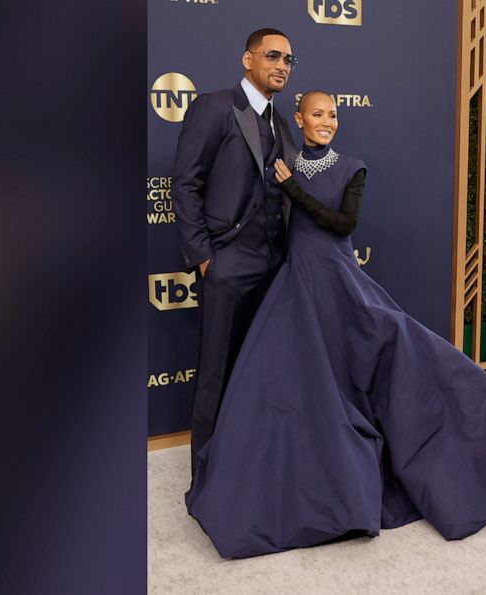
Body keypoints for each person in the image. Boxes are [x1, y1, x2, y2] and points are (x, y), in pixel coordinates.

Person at [184, 91, 486, 559]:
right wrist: (219, 255)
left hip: (338, 280)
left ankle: (462, 435)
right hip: (294, 283)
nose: (326, 122)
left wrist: (293, 188)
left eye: (333, 115)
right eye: (316, 114)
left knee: (390, 351)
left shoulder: (350, 166)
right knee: (288, 383)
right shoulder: (283, 160)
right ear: (299, 118)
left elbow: (342, 224)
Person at [171, 28, 298, 470]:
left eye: (288, 60)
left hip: (273, 265)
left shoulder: (282, 124)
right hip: (226, 261)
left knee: (259, 371)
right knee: (215, 373)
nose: (282, 65)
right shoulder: (215, 106)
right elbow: (186, 183)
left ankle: (245, 468)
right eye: (273, 56)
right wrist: (205, 258)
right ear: (248, 60)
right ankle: (205, 475)